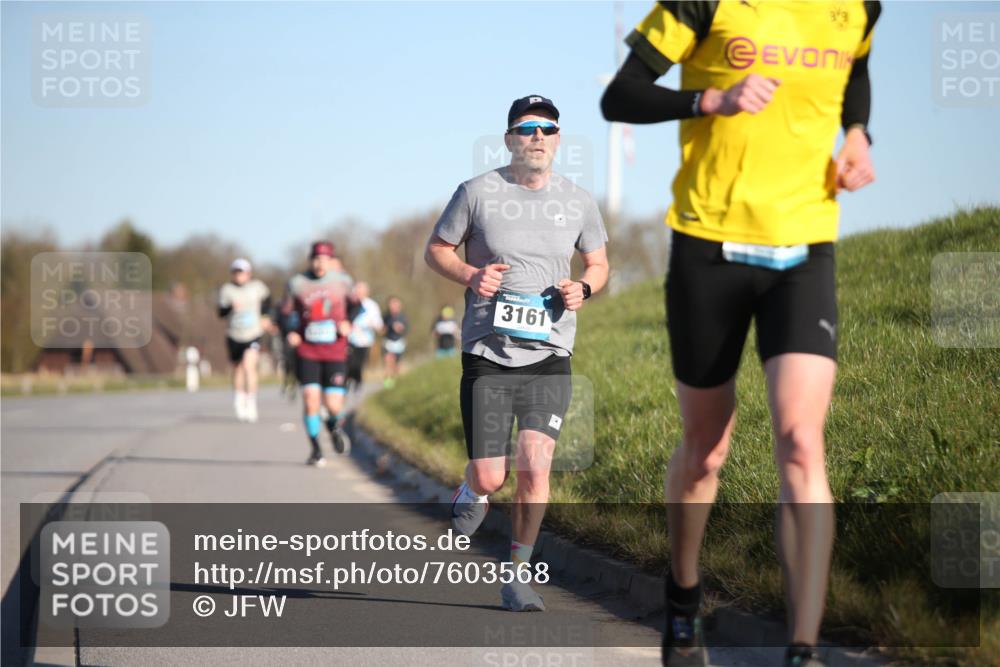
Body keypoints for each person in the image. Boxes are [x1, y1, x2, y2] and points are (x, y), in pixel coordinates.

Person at [600, 3, 880, 665]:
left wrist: (858, 134)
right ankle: (683, 597)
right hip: (709, 243)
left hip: (805, 243)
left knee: (801, 441)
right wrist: (710, 99)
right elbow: (620, 97)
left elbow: (856, 71)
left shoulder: (860, 6)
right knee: (706, 448)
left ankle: (803, 648)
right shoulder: (702, 3)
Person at [425, 95, 609, 611]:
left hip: (551, 353)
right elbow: (436, 249)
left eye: (547, 128)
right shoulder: (476, 192)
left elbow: (598, 264)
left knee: (535, 466)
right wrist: (471, 275)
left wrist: (584, 288)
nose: (537, 136)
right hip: (489, 351)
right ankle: (473, 490)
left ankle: (517, 575)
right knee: (491, 474)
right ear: (509, 139)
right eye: (527, 128)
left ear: (558, 140)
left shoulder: (578, 200)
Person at [282, 241, 356, 466]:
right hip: (308, 351)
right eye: (316, 258)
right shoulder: (297, 283)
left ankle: (333, 426)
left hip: (335, 351)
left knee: (334, 405)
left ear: (331, 261)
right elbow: (285, 312)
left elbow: (357, 306)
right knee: (310, 399)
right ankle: (316, 449)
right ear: (310, 260)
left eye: (324, 259)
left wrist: (348, 322)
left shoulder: (342, 281)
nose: (319, 263)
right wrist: (291, 331)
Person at [218, 258, 271, 423]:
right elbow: (220, 313)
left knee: (249, 365)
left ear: (248, 274)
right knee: (238, 369)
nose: (239, 275)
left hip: (253, 333)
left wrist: (265, 317)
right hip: (234, 334)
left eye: (242, 272)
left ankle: (251, 402)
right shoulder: (227, 290)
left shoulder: (257, 287)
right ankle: (239, 397)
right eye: (236, 272)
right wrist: (230, 307)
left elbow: (268, 301)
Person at [346, 281, 384, 392]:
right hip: (349, 339)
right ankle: (348, 381)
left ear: (367, 292)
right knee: (349, 362)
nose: (359, 292)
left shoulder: (372, 305)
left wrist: (375, 326)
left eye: (361, 290)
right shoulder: (350, 303)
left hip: (364, 340)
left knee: (358, 364)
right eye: (357, 290)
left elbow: (378, 323)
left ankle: (357, 382)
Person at [381, 296, 408, 389]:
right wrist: (386, 328)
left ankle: (397, 384)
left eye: (395, 303)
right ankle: (387, 384)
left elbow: (406, 330)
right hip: (388, 341)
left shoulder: (403, 317)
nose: (393, 306)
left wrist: (400, 329)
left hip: (399, 342)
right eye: (391, 304)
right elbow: (382, 329)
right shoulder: (385, 316)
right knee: (388, 361)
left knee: (397, 366)